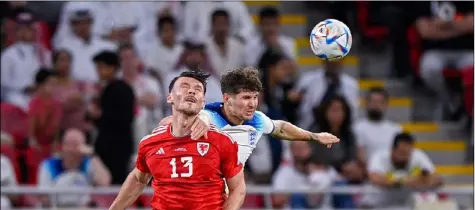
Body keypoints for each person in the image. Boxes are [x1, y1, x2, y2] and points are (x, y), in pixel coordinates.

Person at [110, 71, 246, 210]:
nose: (192, 91)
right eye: (185, 86)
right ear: (170, 97)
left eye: (198, 89)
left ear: (203, 103)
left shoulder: (221, 141)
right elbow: (139, 179)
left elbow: (238, 188)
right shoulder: (150, 143)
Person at [159, 67, 339, 167]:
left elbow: (281, 127)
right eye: (246, 98)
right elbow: (181, 121)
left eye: (255, 97)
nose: (253, 104)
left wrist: (315, 136)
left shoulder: (256, 119)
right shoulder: (208, 114)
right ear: (227, 99)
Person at [361, 132, 443, 208]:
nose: (405, 158)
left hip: (403, 205)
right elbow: (375, 178)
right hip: (375, 205)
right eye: (402, 153)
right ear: (392, 150)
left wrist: (422, 181)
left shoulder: (418, 155)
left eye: (408, 154)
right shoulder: (379, 156)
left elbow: (437, 179)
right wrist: (404, 181)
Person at [90, 51, 135, 185]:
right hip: (112, 145)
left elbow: (123, 118)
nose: (98, 71)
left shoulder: (120, 89)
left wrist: (98, 116)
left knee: (114, 183)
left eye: (101, 67)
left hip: (116, 147)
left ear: (112, 68)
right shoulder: (110, 88)